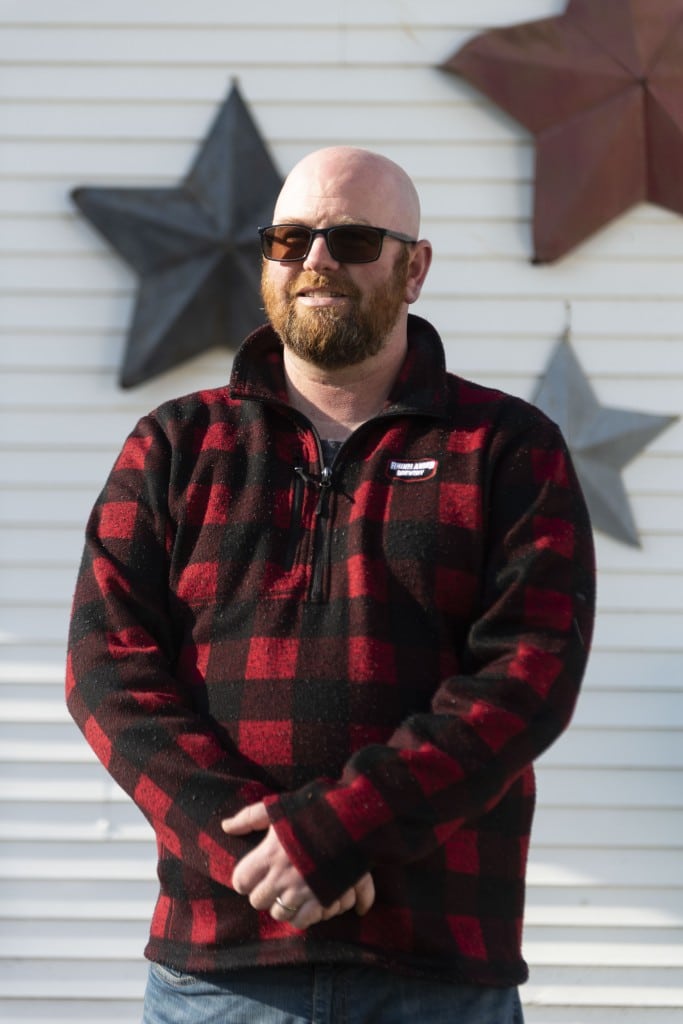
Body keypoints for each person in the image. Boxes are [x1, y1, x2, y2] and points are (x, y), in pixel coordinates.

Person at [66, 146, 596, 1024]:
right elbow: (107, 674)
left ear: (414, 268)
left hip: (433, 970)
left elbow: (526, 678)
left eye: (351, 239)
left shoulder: (508, 447)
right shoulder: (173, 445)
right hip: (218, 972)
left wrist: (342, 831)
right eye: (289, 237)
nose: (315, 260)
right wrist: (257, 851)